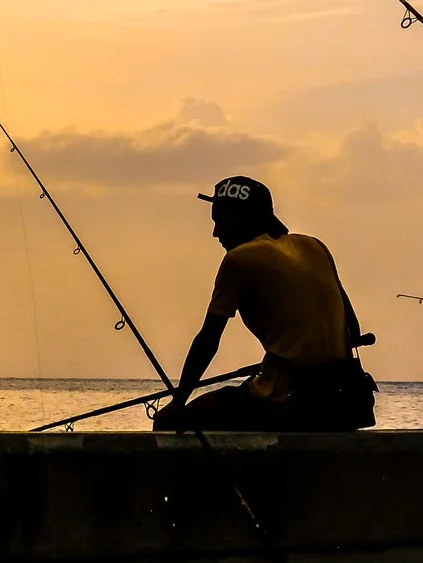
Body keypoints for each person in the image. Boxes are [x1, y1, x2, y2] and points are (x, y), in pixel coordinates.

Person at [156, 175, 375, 432]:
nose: (216, 233)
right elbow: (353, 330)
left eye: (221, 222)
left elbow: (208, 341)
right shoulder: (314, 246)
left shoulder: (239, 259)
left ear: (244, 218)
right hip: (343, 399)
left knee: (172, 422)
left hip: (287, 400)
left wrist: (178, 401)